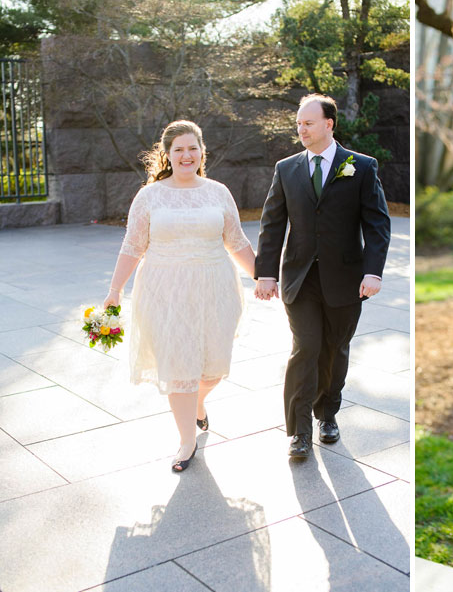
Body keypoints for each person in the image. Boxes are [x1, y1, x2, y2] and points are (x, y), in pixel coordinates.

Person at [104, 120, 256, 472]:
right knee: (179, 368)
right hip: (164, 290)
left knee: (214, 368)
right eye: (178, 149)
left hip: (215, 287)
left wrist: (264, 277)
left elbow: (237, 242)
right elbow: (133, 245)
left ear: (202, 151)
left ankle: (198, 402)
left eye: (192, 148)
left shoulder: (218, 192)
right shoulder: (150, 196)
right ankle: (187, 441)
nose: (186, 155)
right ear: (167, 155)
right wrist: (115, 290)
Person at [254, 93, 391, 459]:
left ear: (329, 124)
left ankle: (327, 414)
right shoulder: (286, 168)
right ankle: (298, 432)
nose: (301, 129)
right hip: (300, 279)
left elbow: (376, 223)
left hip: (345, 279)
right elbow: (272, 224)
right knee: (306, 348)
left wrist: (373, 271)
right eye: (298, 123)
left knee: (334, 349)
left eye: (308, 123)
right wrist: (265, 273)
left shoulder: (360, 167)